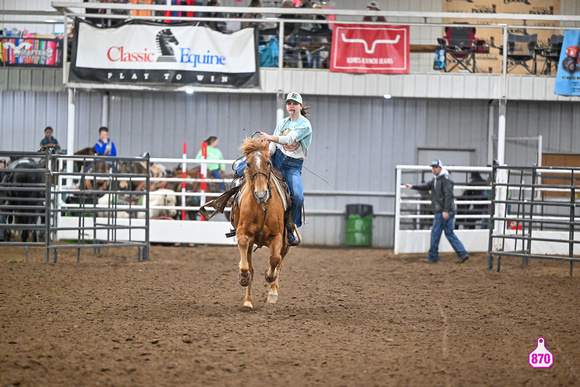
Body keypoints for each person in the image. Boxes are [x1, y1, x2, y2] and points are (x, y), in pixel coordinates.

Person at [258, 91, 312, 246]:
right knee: (246, 169)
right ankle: (228, 202)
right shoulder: (282, 123)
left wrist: (268, 137)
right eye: (289, 103)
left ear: (300, 106)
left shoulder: (304, 125)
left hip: (292, 166)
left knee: (297, 196)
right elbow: (275, 144)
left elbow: (289, 139)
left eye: (294, 103)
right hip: (277, 159)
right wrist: (268, 153)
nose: (291, 106)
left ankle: (291, 227)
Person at [404, 159, 469, 264]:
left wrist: (445, 210)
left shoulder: (443, 179)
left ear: (440, 168)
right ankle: (462, 253)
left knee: (435, 233)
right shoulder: (439, 179)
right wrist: (413, 186)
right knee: (449, 233)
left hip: (442, 210)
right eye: (433, 167)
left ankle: (433, 256)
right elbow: (427, 186)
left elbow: (449, 196)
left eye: (435, 167)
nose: (433, 169)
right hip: (447, 210)